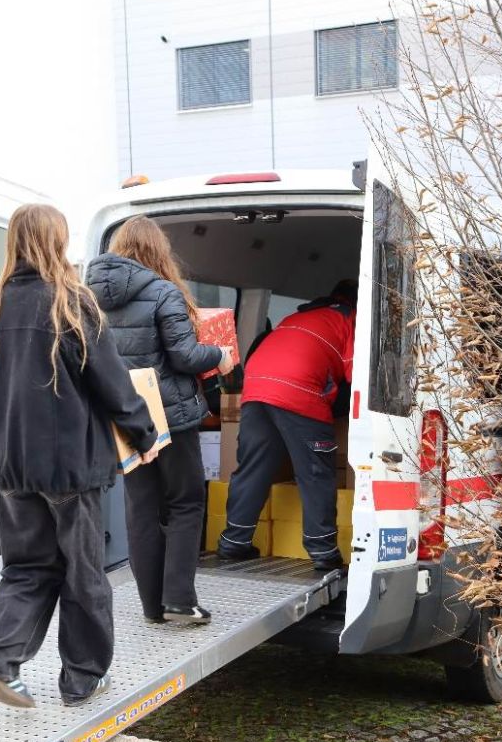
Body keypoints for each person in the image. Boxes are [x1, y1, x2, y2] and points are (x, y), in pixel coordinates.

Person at [0, 204, 159, 709]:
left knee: (26, 567)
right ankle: (82, 678)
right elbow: (112, 382)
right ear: (57, 240)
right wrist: (144, 436)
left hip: (9, 463)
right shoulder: (71, 300)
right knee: (84, 573)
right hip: (69, 467)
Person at [87, 216, 234, 625]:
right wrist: (219, 355)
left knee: (142, 509)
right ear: (157, 250)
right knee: (186, 502)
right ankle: (180, 600)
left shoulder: (89, 297)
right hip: (170, 417)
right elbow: (184, 356)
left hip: (123, 416)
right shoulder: (162, 291)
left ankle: (153, 606)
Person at [218, 280, 358, 571]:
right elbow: (357, 375)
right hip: (299, 388)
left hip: (256, 385)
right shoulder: (349, 318)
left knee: (253, 466)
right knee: (315, 471)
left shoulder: (296, 316)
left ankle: (233, 542)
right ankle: (323, 551)